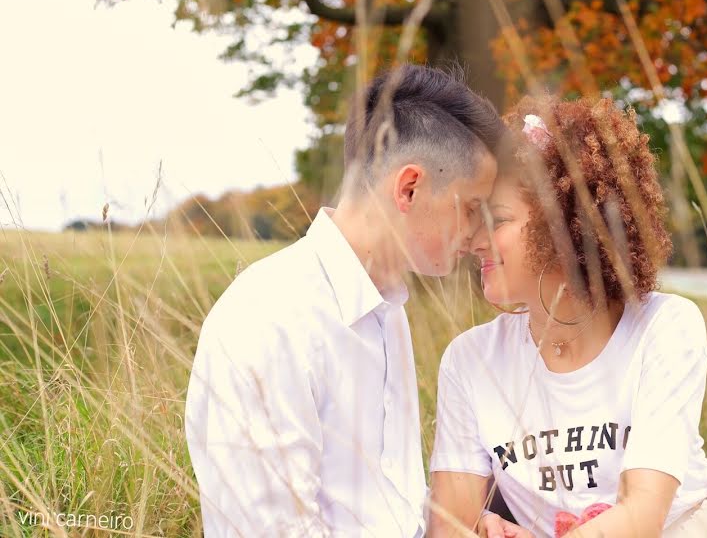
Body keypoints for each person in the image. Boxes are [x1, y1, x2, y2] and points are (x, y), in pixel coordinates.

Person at [428, 94, 707, 538]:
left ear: (564, 226)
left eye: (498, 219)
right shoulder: (469, 360)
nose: (472, 239)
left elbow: (643, 517)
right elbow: (448, 527)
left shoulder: (664, 326)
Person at [184, 64, 504, 537]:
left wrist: (460, 527)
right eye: (472, 208)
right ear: (409, 188)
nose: (481, 235)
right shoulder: (270, 319)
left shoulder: (386, 309)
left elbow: (379, 509)